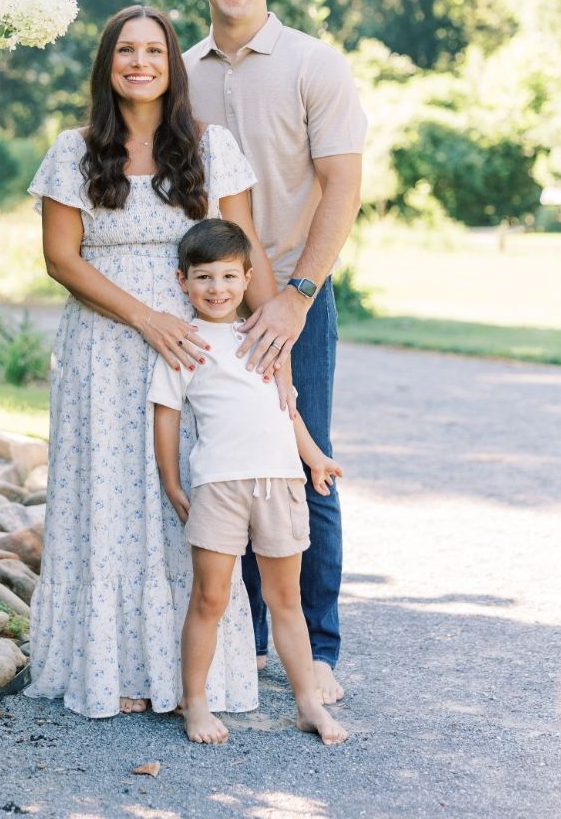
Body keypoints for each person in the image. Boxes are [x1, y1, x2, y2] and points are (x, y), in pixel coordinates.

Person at [25, 4, 287, 718]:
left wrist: (272, 341)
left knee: (186, 499)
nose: (140, 62)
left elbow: (247, 250)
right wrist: (148, 319)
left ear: (173, 65)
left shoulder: (212, 148)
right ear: (107, 66)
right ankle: (111, 669)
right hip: (103, 354)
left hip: (202, 354)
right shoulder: (71, 150)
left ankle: (190, 677)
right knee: (107, 497)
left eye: (154, 51)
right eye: (125, 52)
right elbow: (59, 257)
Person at [186, 0, 367, 703]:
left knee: (299, 458)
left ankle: (315, 645)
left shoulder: (311, 64)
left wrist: (296, 296)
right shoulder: (179, 68)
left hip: (293, 298)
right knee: (221, 458)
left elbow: (344, 185)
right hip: (206, 301)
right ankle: (243, 641)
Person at [150, 218, 347, 746]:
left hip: (280, 484)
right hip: (219, 487)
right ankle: (196, 704)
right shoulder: (186, 343)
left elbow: (288, 409)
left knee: (287, 601)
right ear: (182, 281)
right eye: (204, 278)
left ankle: (307, 702)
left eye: (229, 277)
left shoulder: (264, 336)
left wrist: (316, 458)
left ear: (248, 277)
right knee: (210, 600)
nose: (217, 289)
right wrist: (172, 483)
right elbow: (165, 416)